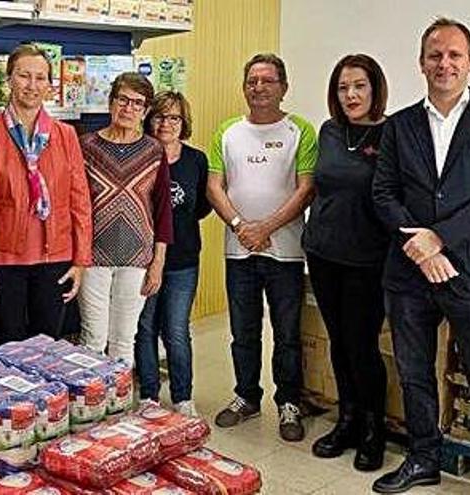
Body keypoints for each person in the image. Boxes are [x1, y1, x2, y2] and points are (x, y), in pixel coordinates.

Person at [371, 18, 470, 495]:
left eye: (455, 55)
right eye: (435, 55)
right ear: (421, 63)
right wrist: (420, 249)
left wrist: (438, 238)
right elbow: (384, 193)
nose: (445, 63)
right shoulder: (397, 125)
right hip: (409, 273)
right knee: (414, 374)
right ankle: (423, 459)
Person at [207, 53, 317, 442]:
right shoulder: (227, 132)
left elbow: (306, 189)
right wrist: (241, 227)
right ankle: (246, 396)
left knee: (287, 334)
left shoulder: (301, 131)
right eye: (252, 81)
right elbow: (214, 186)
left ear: (283, 87)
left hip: (285, 252)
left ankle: (288, 401)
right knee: (243, 332)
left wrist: (265, 227)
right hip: (239, 252)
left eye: (268, 81)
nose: (259, 87)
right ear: (244, 87)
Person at [0, 44, 92, 342]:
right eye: (24, 76)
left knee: (48, 346)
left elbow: (80, 200)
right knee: (7, 344)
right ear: (9, 79)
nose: (32, 85)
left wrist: (80, 260)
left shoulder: (65, 135)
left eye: (40, 78)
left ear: (49, 85)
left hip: (56, 258)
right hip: (3, 259)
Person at [303, 54, 389, 471]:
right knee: (339, 341)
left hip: (367, 260)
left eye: (359, 86)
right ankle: (348, 420)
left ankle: (374, 430)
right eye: (342, 87)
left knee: (362, 345)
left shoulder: (391, 133)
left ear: (375, 88)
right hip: (323, 253)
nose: (351, 94)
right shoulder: (330, 131)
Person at [78, 72, 173, 365]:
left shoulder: (154, 151)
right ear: (111, 103)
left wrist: (157, 263)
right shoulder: (86, 146)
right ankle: (91, 407)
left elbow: (163, 211)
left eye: (137, 103)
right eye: (123, 100)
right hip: (92, 257)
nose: (129, 108)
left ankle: (118, 406)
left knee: (123, 339)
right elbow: (76, 205)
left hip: (137, 259)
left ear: (145, 112)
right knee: (92, 337)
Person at [134, 91, 211, 417]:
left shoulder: (196, 160)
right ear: (149, 120)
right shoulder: (141, 156)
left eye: (174, 118)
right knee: (145, 327)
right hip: (142, 259)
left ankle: (182, 396)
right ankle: (149, 395)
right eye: (160, 117)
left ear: (184, 123)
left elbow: (203, 206)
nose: (166, 124)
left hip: (183, 260)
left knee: (176, 329)